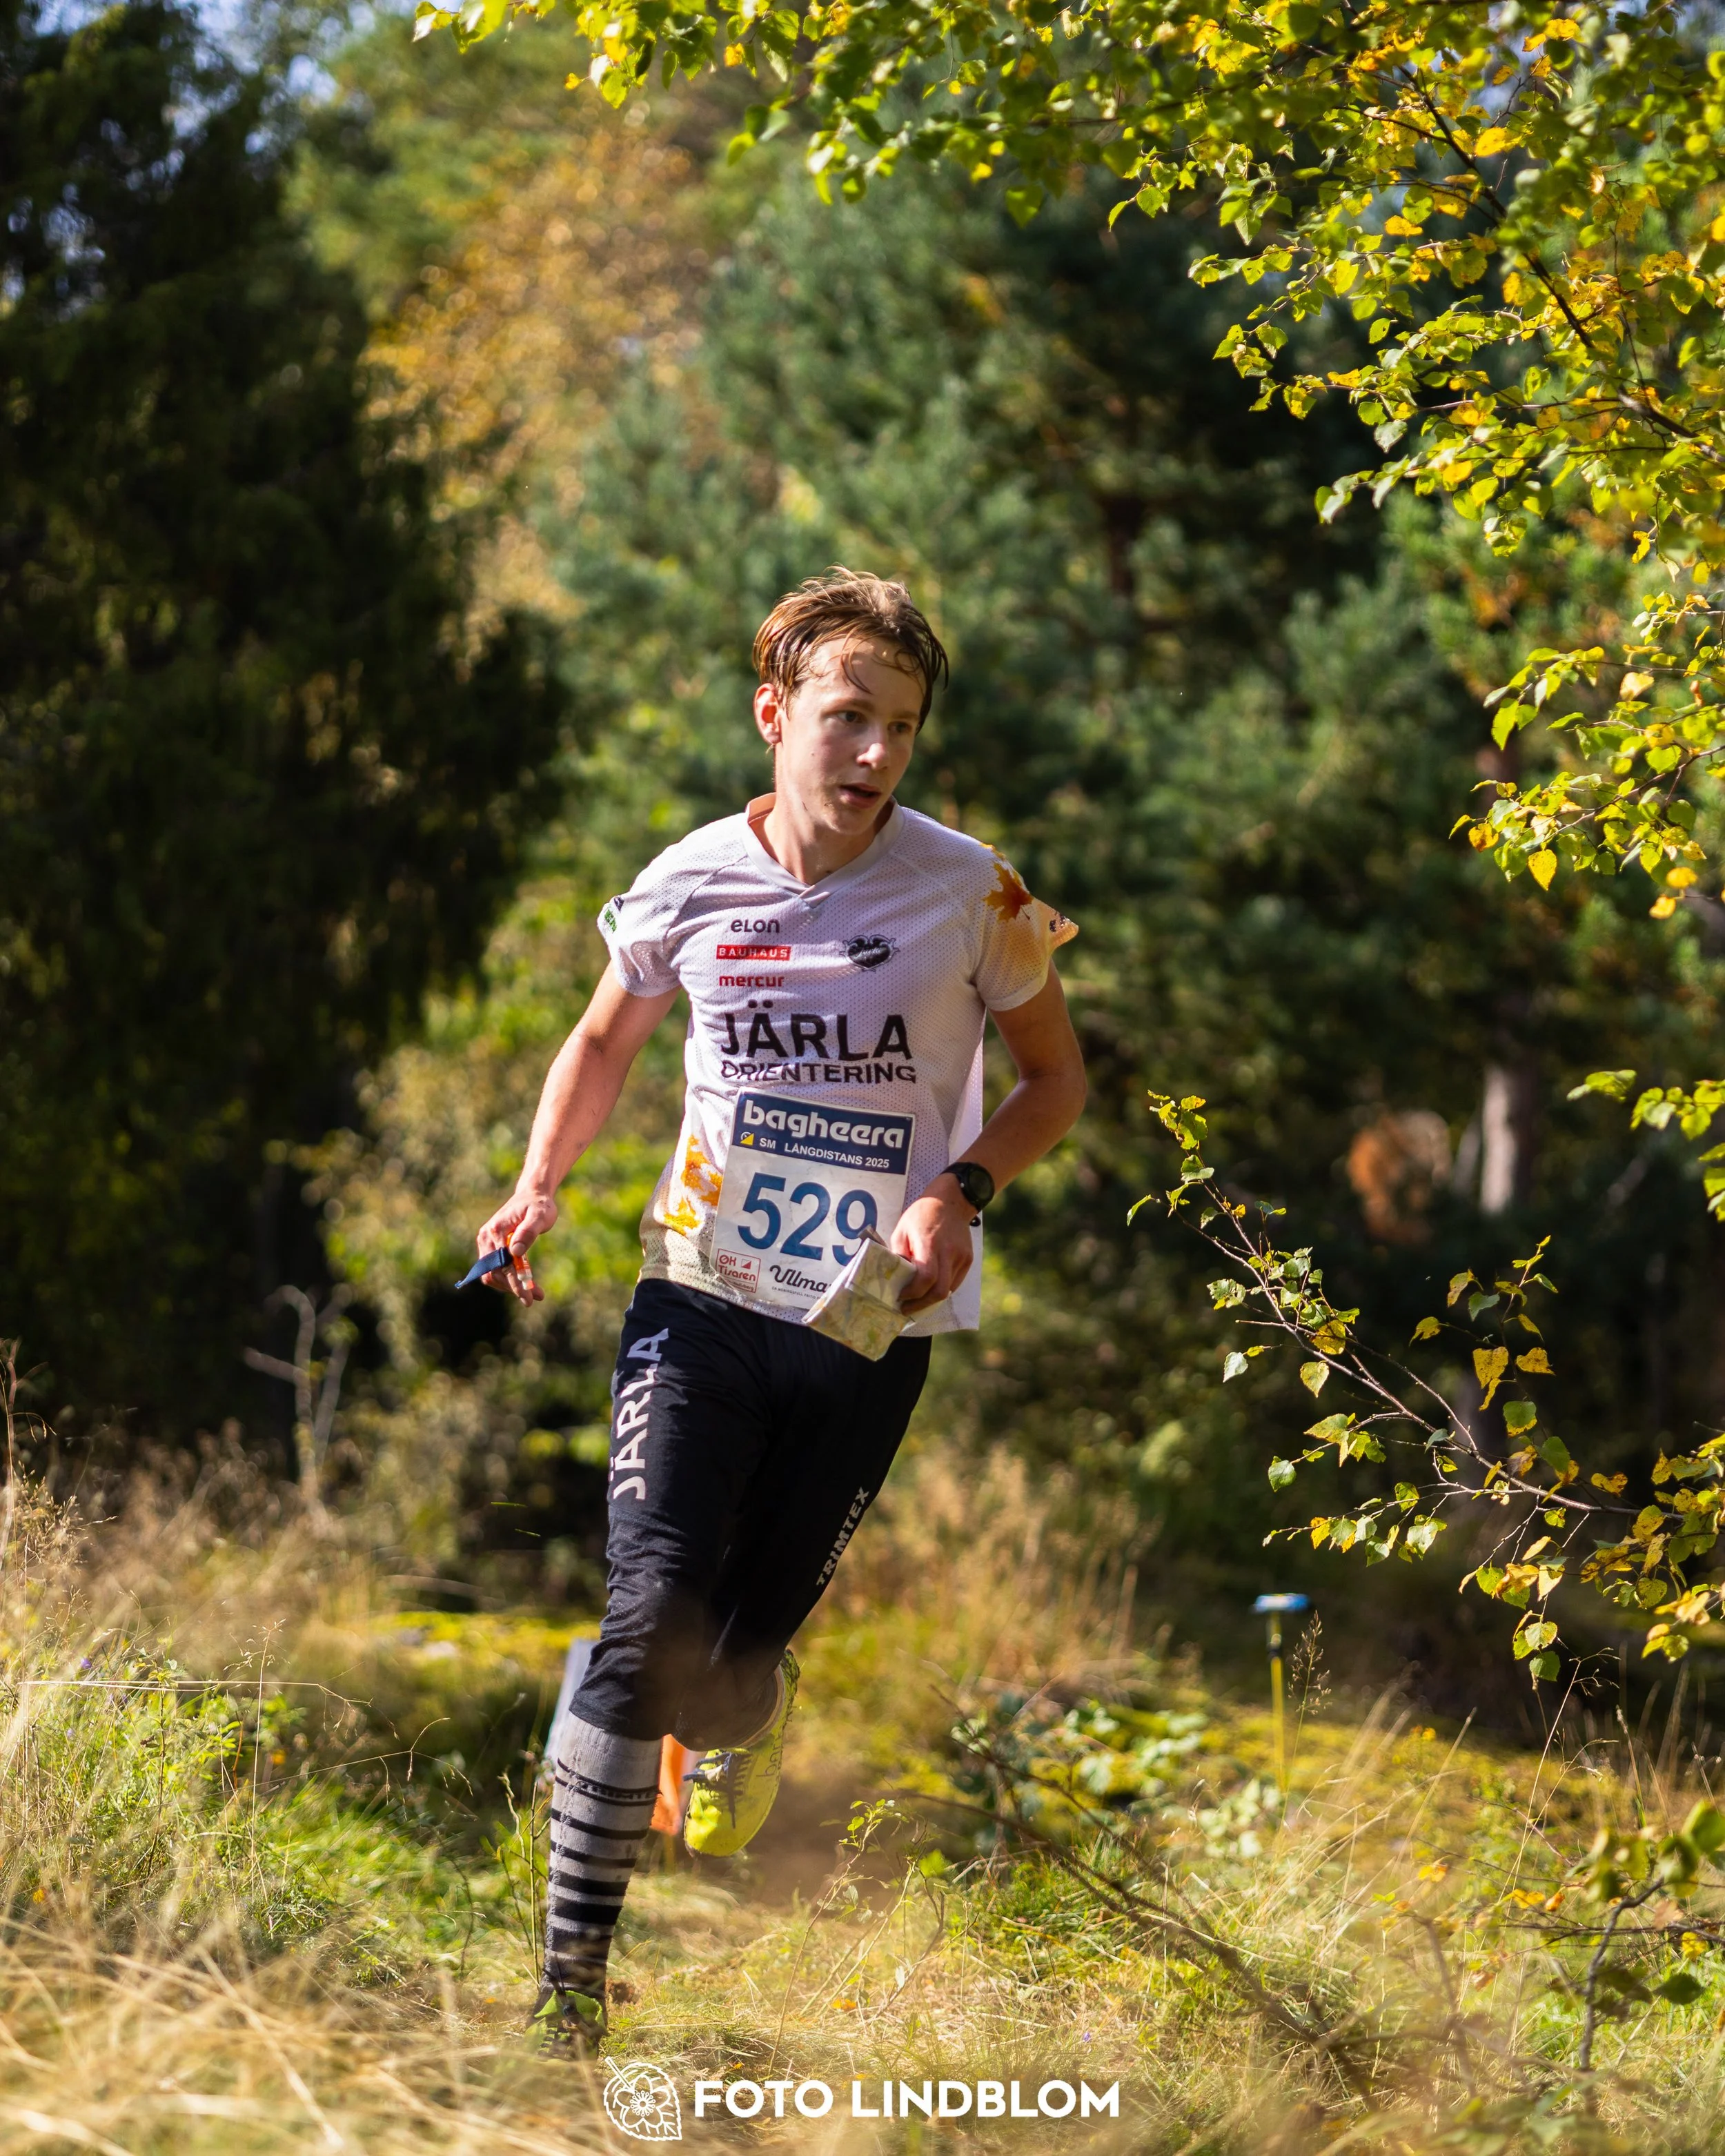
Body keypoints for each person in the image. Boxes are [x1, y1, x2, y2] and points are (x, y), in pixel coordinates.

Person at [471, 568, 1085, 2047]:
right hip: (698, 1291)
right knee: (647, 1610)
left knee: (725, 1667)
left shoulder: (968, 886)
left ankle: (733, 1704)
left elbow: (1055, 1080)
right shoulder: (688, 878)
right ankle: (569, 1988)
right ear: (773, 714)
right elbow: (604, 1033)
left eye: (900, 726)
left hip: (870, 1318)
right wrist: (539, 1182)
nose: (873, 753)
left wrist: (961, 1188)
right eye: (844, 718)